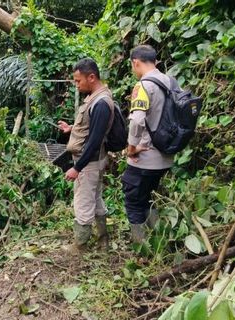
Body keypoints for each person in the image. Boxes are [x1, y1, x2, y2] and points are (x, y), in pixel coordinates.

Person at [57, 58, 115, 254]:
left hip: (89, 162)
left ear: (91, 77)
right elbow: (92, 130)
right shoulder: (98, 98)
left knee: (83, 202)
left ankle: (80, 246)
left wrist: (77, 167)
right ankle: (103, 241)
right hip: (95, 161)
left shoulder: (100, 103)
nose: (76, 84)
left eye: (78, 80)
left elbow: (95, 140)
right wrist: (72, 129)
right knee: (96, 199)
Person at [123, 45, 173, 244]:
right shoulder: (170, 81)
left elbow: (137, 121)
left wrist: (131, 147)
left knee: (133, 201)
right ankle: (159, 241)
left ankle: (142, 248)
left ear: (136, 62)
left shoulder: (143, 86)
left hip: (145, 157)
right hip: (166, 156)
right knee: (147, 197)